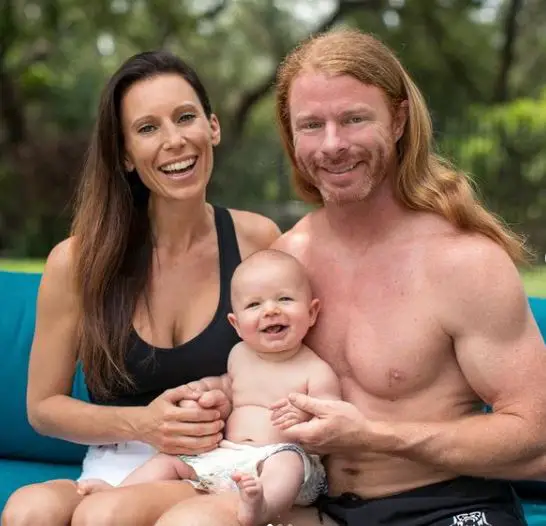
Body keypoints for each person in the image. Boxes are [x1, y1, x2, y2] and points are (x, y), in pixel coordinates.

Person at [152, 29, 546, 526]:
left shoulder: (464, 263)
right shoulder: (286, 262)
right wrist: (205, 403)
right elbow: (252, 388)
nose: (332, 145)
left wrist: (374, 435)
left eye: (354, 119)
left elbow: (538, 438)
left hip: (446, 507)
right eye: (311, 125)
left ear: (399, 119)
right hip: (319, 510)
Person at [1, 51, 281, 526]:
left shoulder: (259, 242)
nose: (174, 140)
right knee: (28, 511)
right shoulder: (76, 262)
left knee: (106, 519)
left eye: (185, 117)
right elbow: (43, 408)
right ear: (126, 154)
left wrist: (229, 397)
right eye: (148, 128)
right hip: (114, 465)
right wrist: (144, 425)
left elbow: (290, 366)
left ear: (212, 127)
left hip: (217, 469)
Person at [75, 248, 341, 526]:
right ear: (236, 324)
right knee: (169, 460)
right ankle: (122, 491)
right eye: (254, 305)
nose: (271, 310)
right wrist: (204, 389)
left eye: (284, 299)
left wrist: (305, 420)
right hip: (226, 453)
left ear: (312, 312)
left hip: (280, 456)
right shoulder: (239, 355)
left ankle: (263, 508)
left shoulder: (316, 371)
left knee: (287, 465)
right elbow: (228, 385)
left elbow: (332, 427)